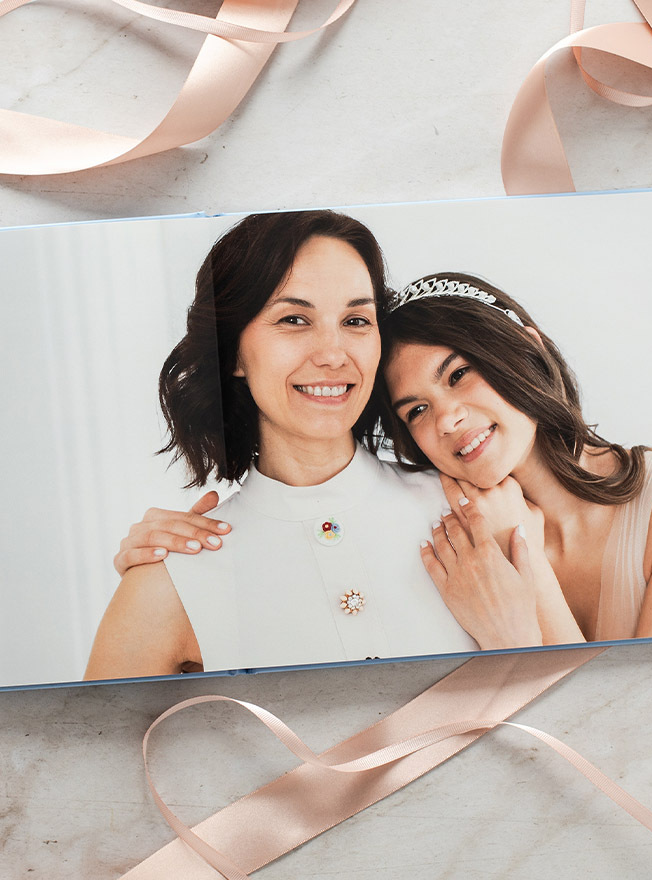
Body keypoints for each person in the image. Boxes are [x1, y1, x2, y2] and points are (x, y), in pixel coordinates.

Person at [114, 269, 652, 648]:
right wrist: (168, 557)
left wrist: (521, 604)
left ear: (527, 348)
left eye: (459, 374)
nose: (448, 419)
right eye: (415, 410)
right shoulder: (442, 525)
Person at [85, 214, 545, 682]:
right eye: (294, 319)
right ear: (233, 352)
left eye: (356, 320)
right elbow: (89, 748)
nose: (332, 352)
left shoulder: (481, 511)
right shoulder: (171, 579)